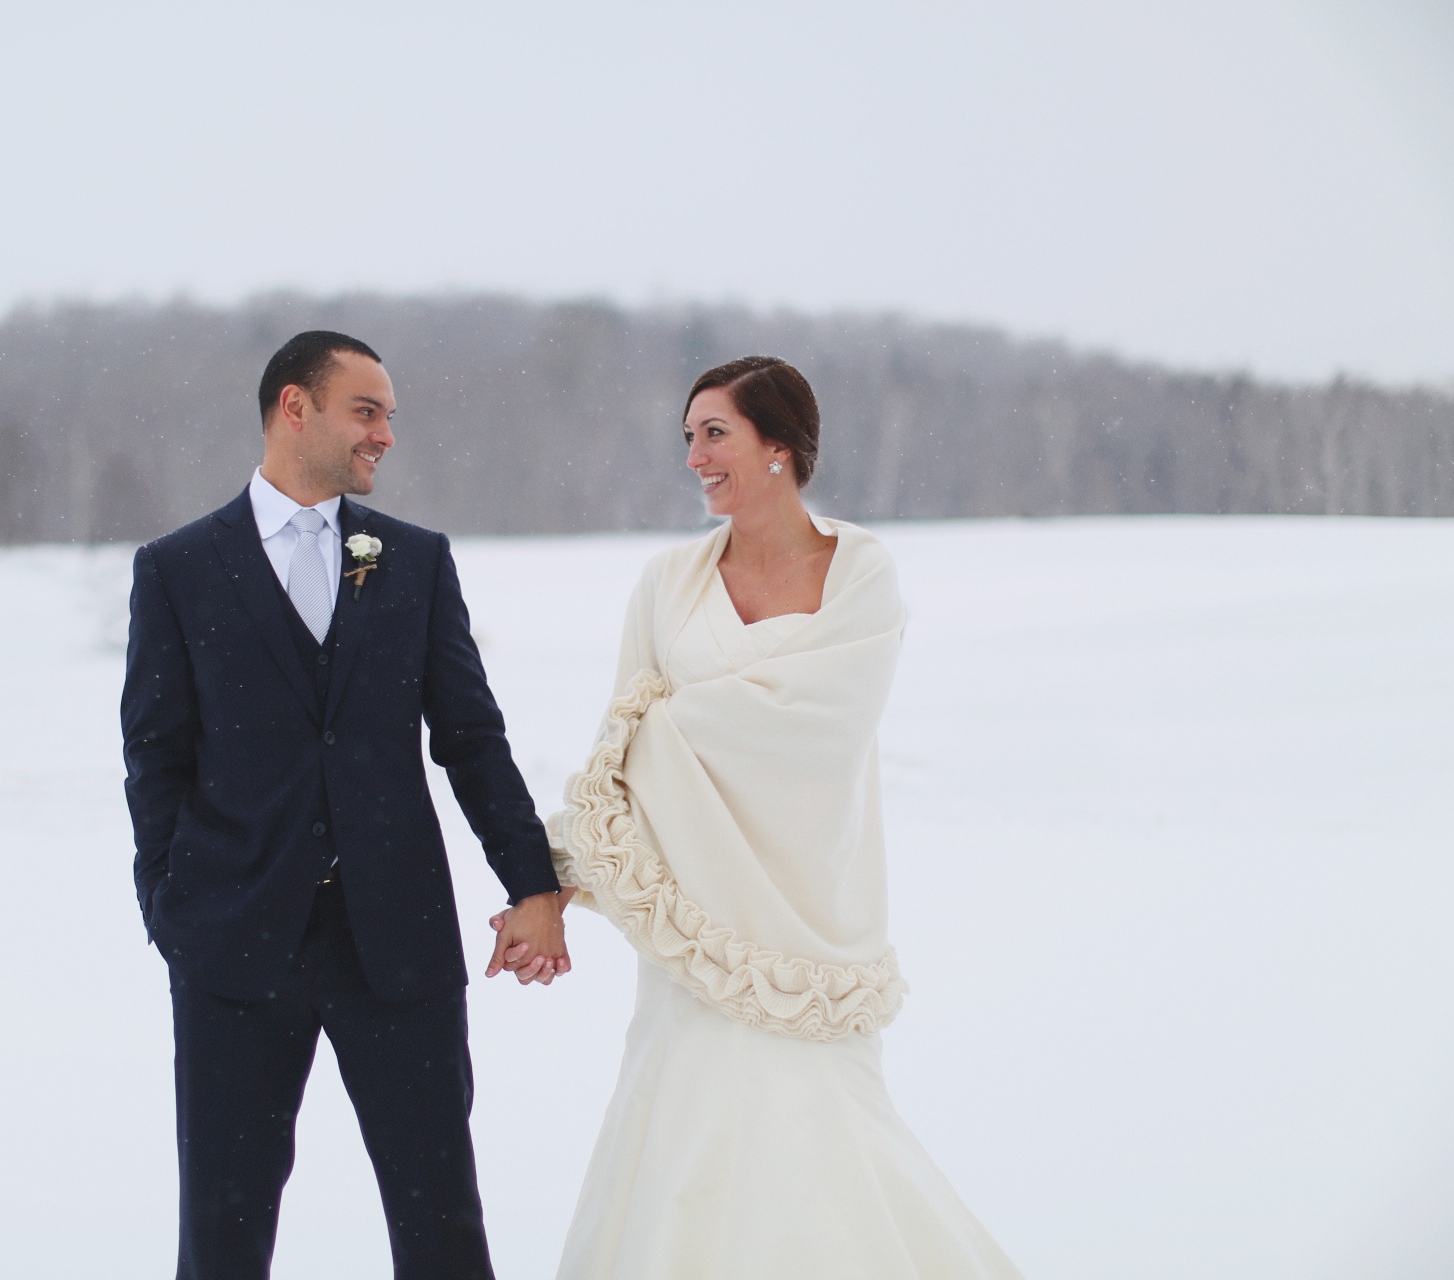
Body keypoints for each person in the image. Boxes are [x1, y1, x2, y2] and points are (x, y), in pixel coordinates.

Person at [496, 356, 1025, 1278]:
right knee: (685, 1139)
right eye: (688, 438)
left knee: (825, 1136)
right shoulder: (667, 583)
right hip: (693, 928)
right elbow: (618, 753)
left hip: (806, 915)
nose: (695, 456)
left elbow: (819, 726)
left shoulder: (860, 572)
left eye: (716, 434)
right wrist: (545, 883)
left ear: (780, 445)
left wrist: (670, 724)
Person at [120, 330, 570, 1280]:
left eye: (390, 417)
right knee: (223, 1233)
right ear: (296, 407)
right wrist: (169, 909)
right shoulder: (179, 568)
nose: (385, 436)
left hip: (395, 942)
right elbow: (154, 756)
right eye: (367, 411)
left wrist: (533, 884)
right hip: (232, 945)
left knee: (442, 1222)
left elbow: (471, 738)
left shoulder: (412, 562)